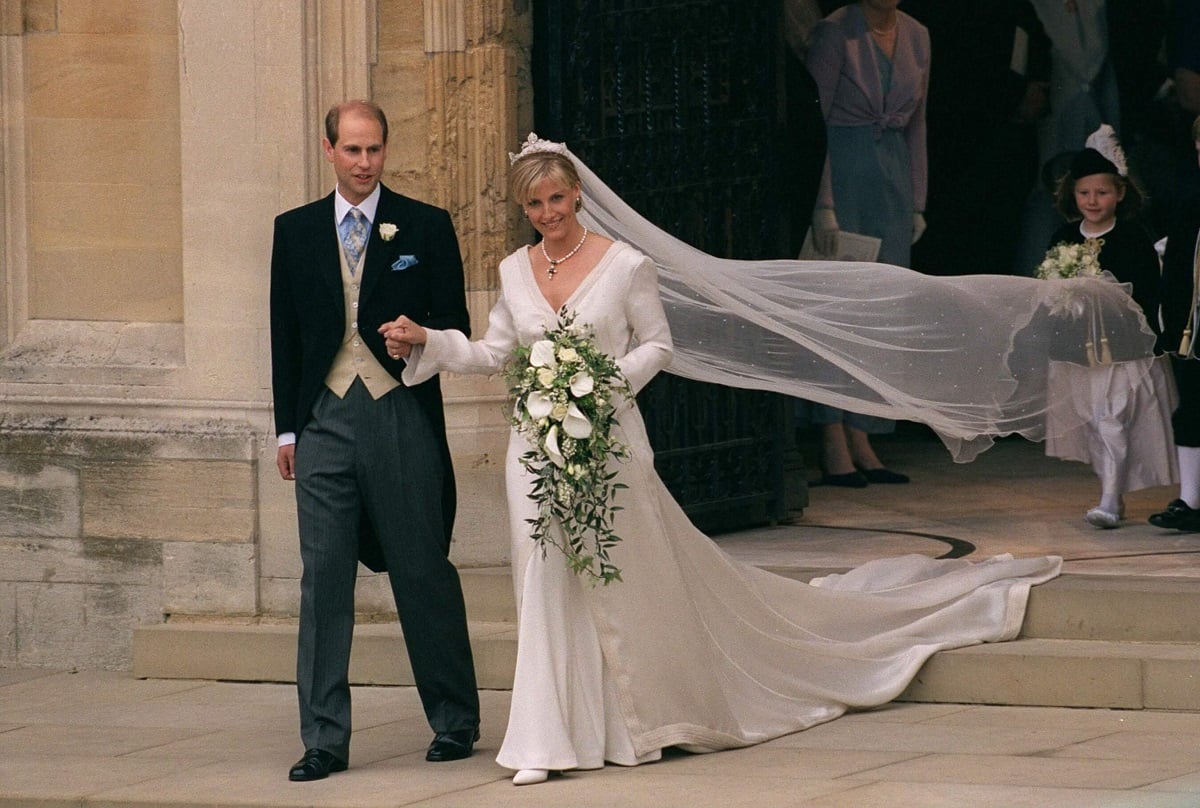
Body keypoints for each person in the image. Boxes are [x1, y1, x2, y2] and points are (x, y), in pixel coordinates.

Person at [382, 134, 1065, 787]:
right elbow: (496, 353)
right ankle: (547, 736)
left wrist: (599, 388)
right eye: (534, 205)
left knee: (626, 579)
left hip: (610, 444)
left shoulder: (624, 265)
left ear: (576, 196)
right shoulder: (512, 269)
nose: (548, 215)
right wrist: (428, 343)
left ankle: (637, 720)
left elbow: (658, 345)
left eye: (557, 199)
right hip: (534, 451)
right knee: (544, 583)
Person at [269, 100, 480, 782]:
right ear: (328, 150)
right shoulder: (295, 230)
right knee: (323, 579)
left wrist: (418, 337)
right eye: (353, 151)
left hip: (399, 413)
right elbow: (285, 335)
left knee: (421, 567)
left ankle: (455, 721)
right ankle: (324, 738)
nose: (365, 164)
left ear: (386, 150)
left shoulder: (425, 224)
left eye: (375, 151)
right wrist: (286, 427)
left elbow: (455, 322)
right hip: (323, 420)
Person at [800, 0, 930, 486]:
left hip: (891, 182)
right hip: (844, 175)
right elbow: (815, 120)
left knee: (878, 313)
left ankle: (863, 432)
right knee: (837, 312)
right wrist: (822, 203)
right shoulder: (835, 34)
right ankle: (831, 433)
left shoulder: (917, 34)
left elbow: (919, 122)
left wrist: (917, 199)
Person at [1040, 125, 1177, 528]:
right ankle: (1110, 492)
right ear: (1072, 195)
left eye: (1101, 192)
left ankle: (1110, 499)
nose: (1092, 200)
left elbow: (1149, 292)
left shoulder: (1133, 236)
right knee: (1093, 423)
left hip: (1122, 349)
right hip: (1078, 350)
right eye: (1084, 193)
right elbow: (1051, 291)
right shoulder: (1064, 237)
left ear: (1119, 192)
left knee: (1113, 418)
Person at [1149, 114, 1200, 533]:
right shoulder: (1189, 205)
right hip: (1193, 328)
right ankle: (1191, 498)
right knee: (1192, 410)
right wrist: (1172, 325)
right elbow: (1176, 272)